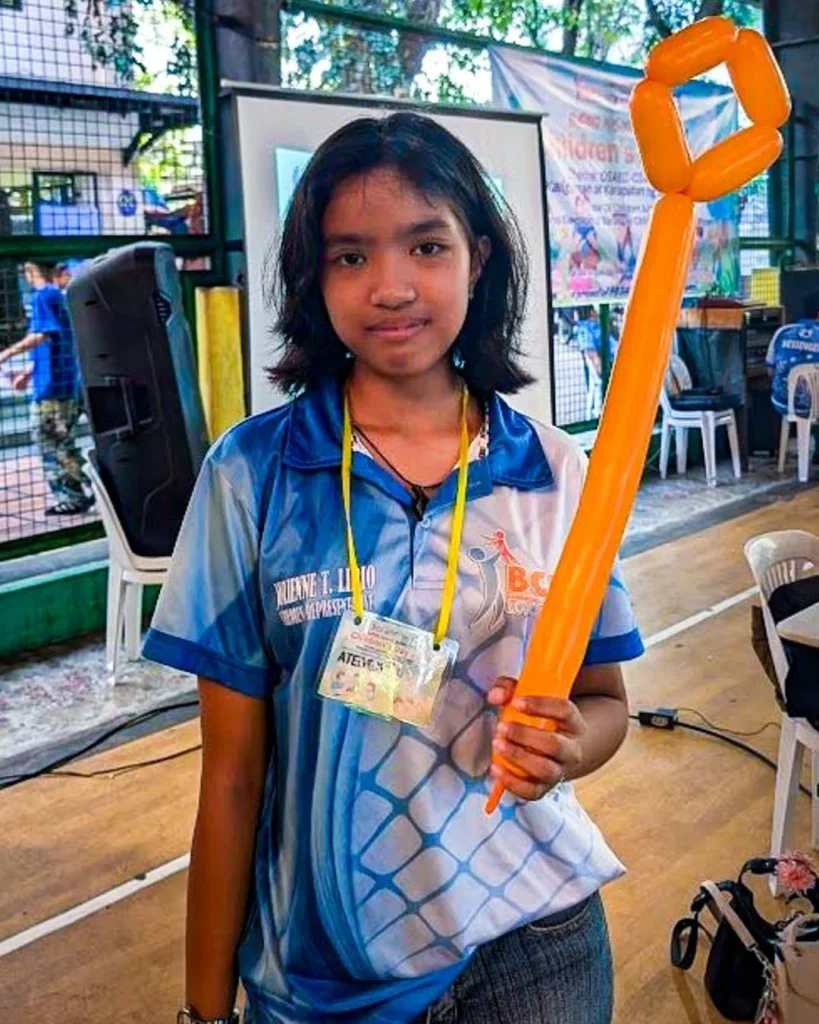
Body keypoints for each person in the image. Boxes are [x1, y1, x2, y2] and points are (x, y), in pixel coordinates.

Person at [144, 113, 644, 1024]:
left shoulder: (552, 472)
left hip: (537, 948)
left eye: (425, 244)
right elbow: (230, 779)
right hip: (327, 974)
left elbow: (606, 704)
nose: (391, 286)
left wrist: (568, 748)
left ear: (477, 258)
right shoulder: (254, 475)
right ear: (313, 276)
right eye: (349, 256)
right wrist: (202, 1012)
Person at [0, 260, 93, 515]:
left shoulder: (43, 296)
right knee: (62, 441)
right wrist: (29, 373)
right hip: (62, 380)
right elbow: (57, 339)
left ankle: (74, 492)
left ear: (31, 272)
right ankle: (84, 487)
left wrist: (6, 354)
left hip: (52, 387)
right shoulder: (60, 297)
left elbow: (43, 335)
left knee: (48, 441)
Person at [766, 293, 819, 418]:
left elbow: (770, 371)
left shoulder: (783, 331)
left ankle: (807, 435)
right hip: (815, 407)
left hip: (782, 404)